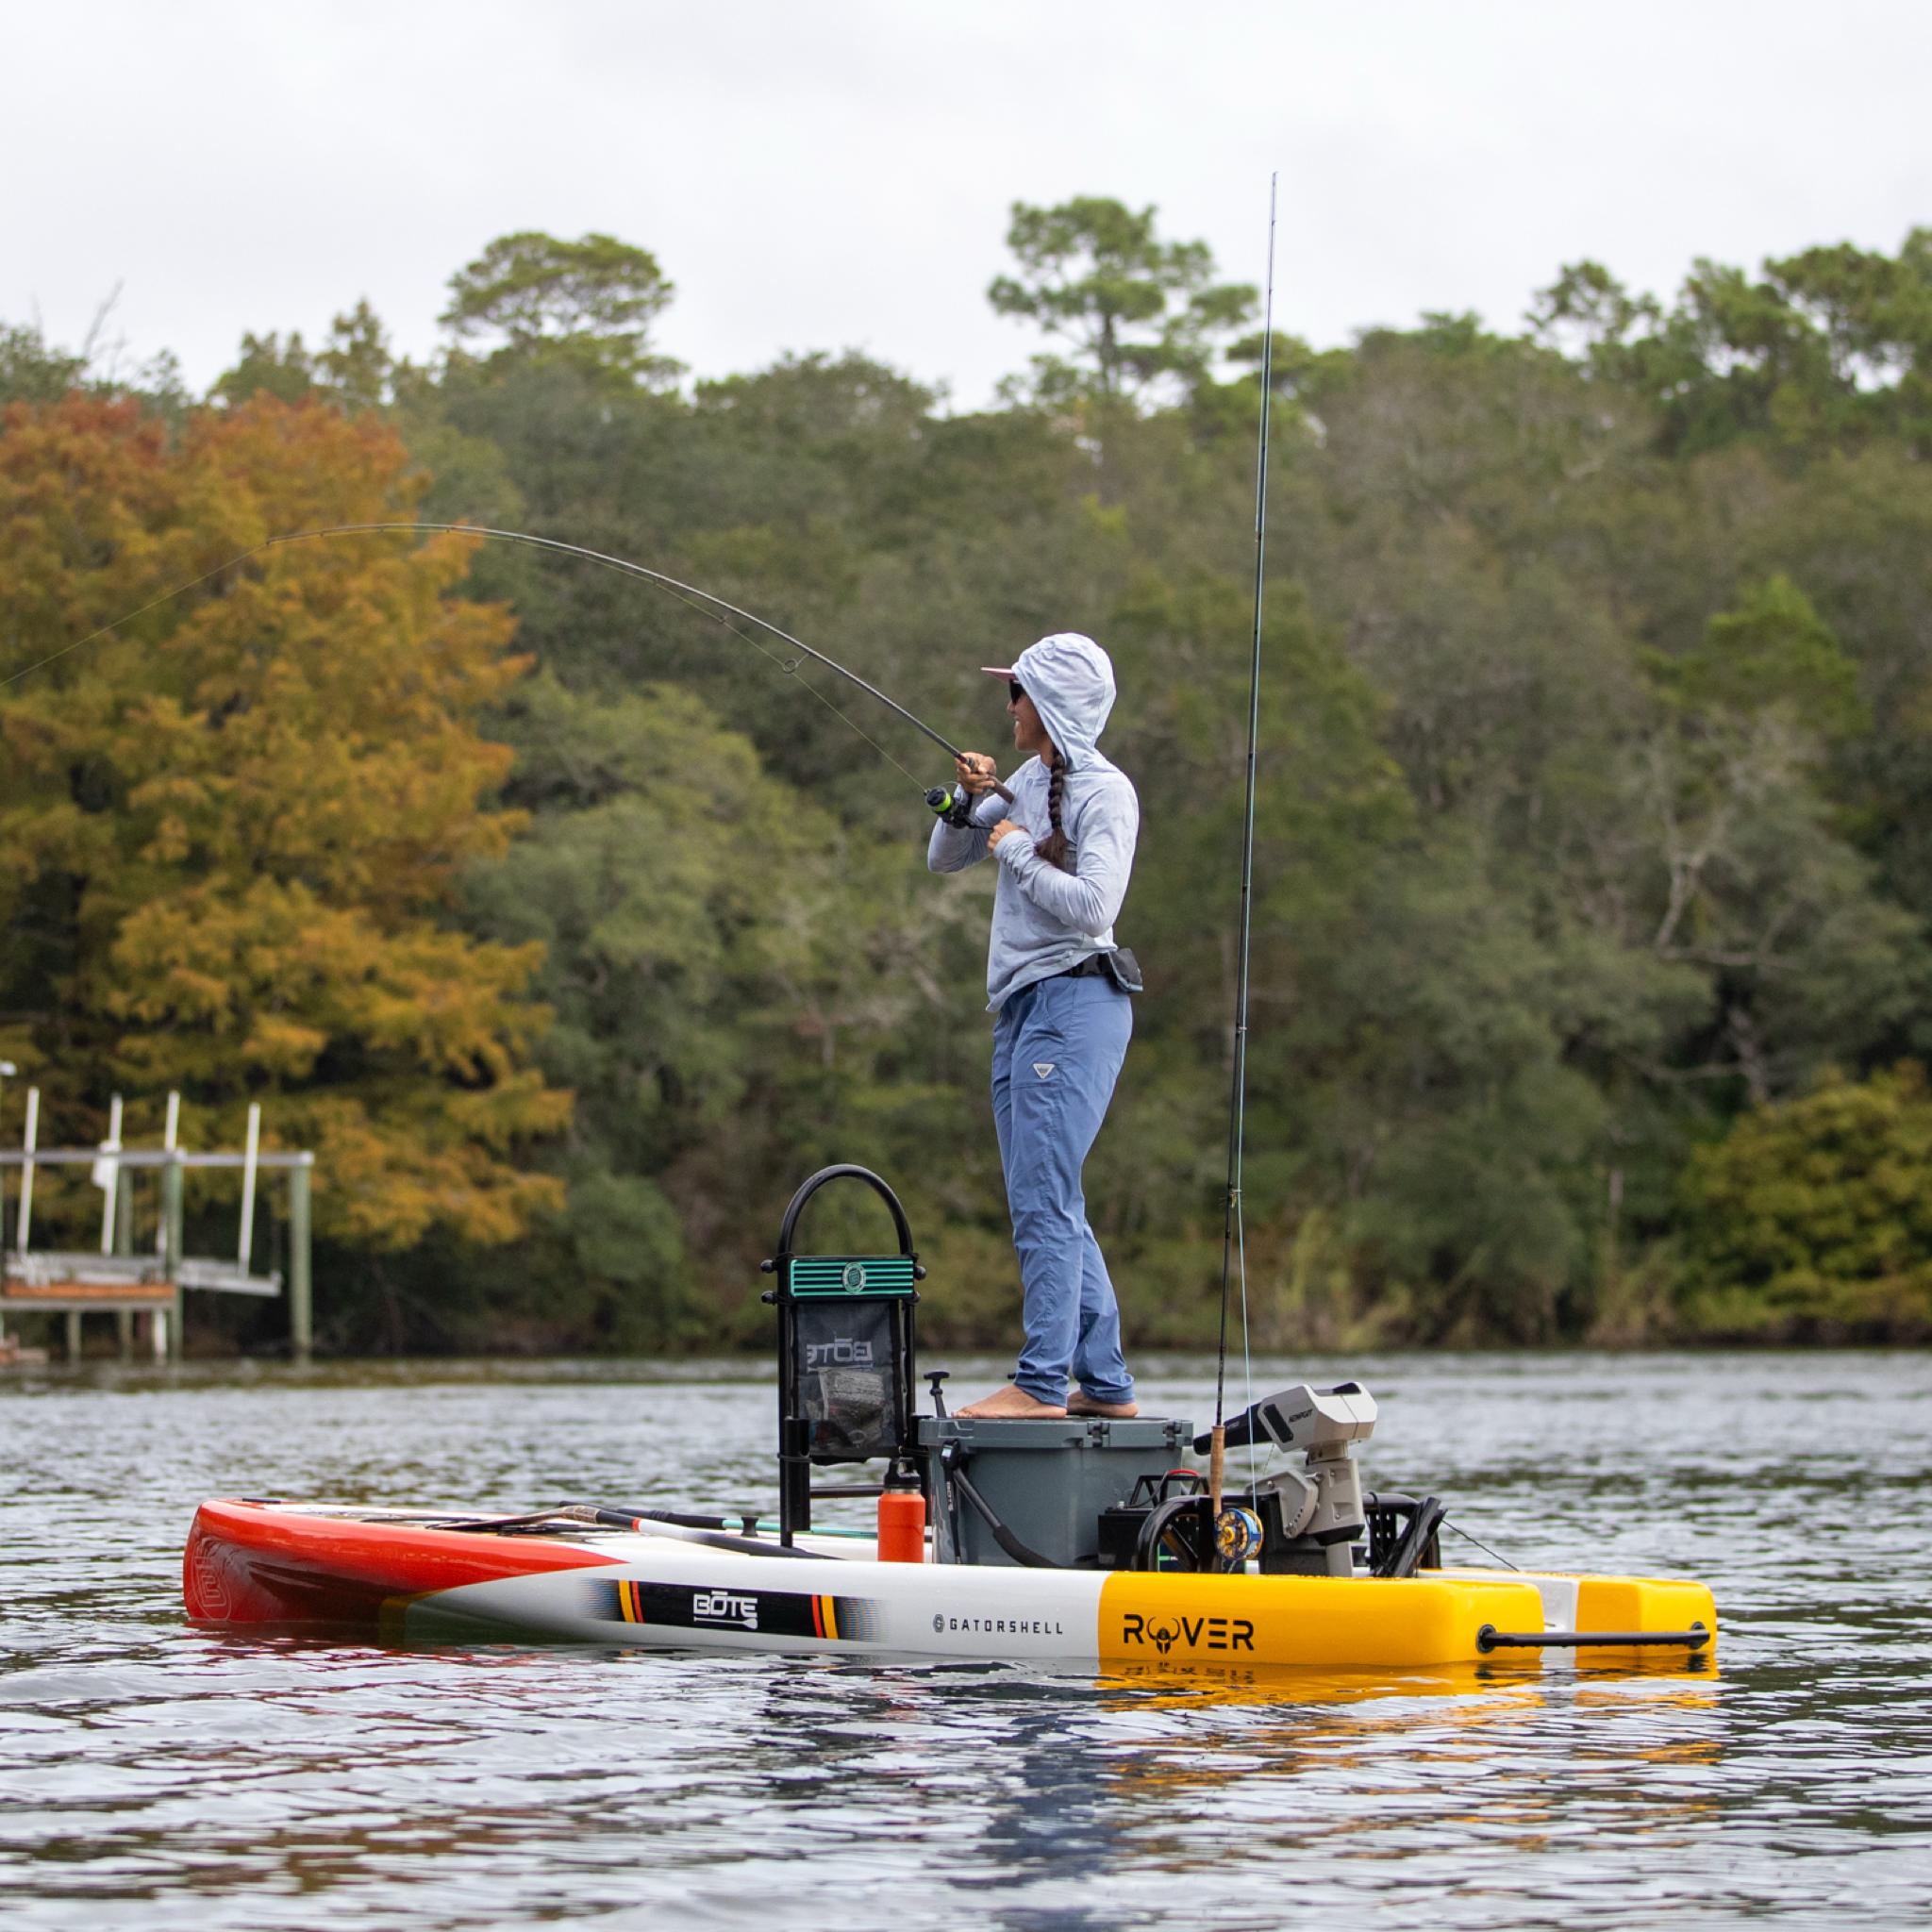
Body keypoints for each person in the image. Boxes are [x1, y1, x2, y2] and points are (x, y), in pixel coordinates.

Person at [927, 632, 1141, 1420]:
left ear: (1048, 704)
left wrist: (1013, 845)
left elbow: (1095, 909)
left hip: (1076, 1003)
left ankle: (1043, 1384)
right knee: (1043, 1199)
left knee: (1048, 1199)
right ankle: (1106, 1385)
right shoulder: (1027, 777)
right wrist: (969, 805)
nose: (1007, 706)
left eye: (1015, 692)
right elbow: (944, 860)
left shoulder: (1105, 792)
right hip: (1021, 1009)